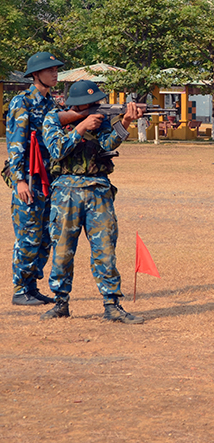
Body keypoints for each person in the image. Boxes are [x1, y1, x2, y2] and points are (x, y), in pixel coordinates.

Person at [39, 80, 145, 323]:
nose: (96, 105)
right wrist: (81, 127)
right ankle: (60, 303)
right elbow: (56, 150)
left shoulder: (102, 118)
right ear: (75, 104)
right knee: (63, 250)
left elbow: (109, 144)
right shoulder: (53, 119)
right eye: (90, 103)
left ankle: (112, 304)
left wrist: (126, 121)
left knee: (105, 249)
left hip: (98, 189)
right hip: (65, 191)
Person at [7, 52, 65, 306]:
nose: (54, 73)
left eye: (56, 69)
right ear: (35, 75)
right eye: (49, 70)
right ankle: (20, 289)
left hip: (49, 178)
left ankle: (31, 286)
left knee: (45, 237)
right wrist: (19, 179)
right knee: (29, 234)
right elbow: (16, 143)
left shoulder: (52, 105)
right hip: (30, 179)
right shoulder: (23, 102)